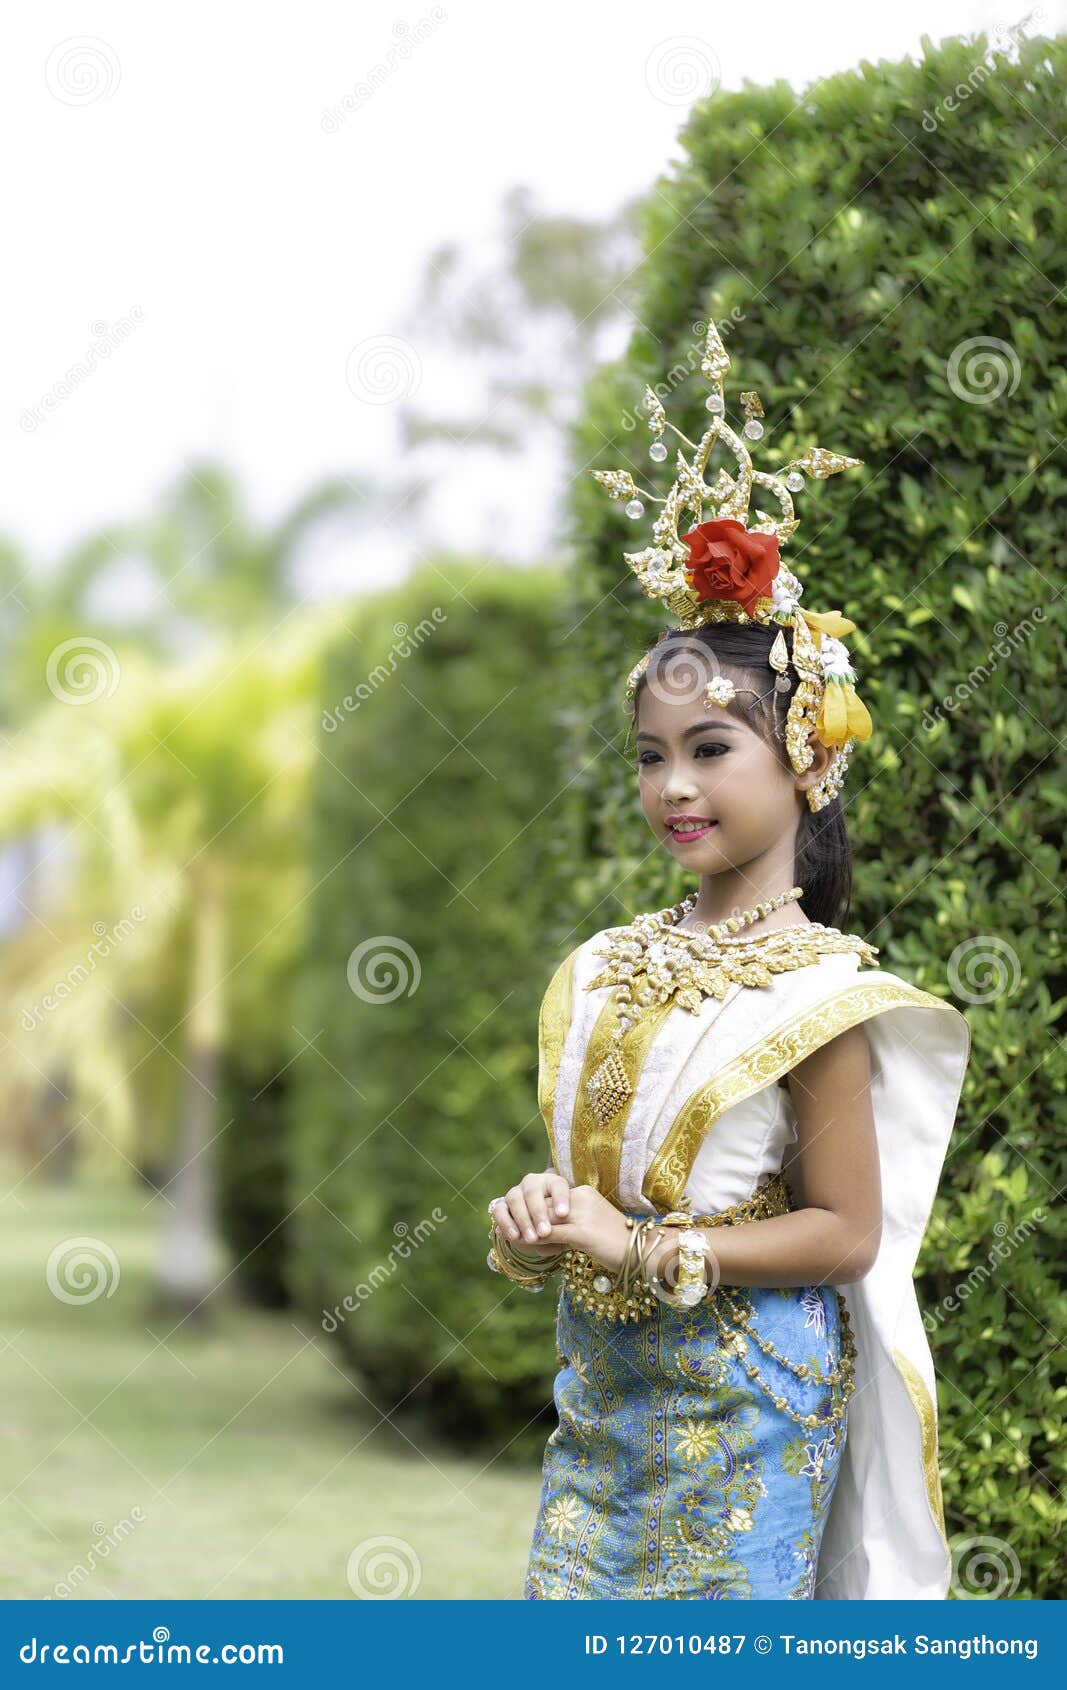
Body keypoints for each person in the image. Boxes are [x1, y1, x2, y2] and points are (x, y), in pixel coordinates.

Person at [486, 319, 971, 1601]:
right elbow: (597, 1177)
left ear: (805, 759)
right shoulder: (606, 963)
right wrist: (541, 1215)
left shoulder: (825, 992)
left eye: (711, 748)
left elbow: (847, 1230)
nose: (672, 785)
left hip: (743, 1414)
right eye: (650, 754)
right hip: (599, 1402)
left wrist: (644, 1249)